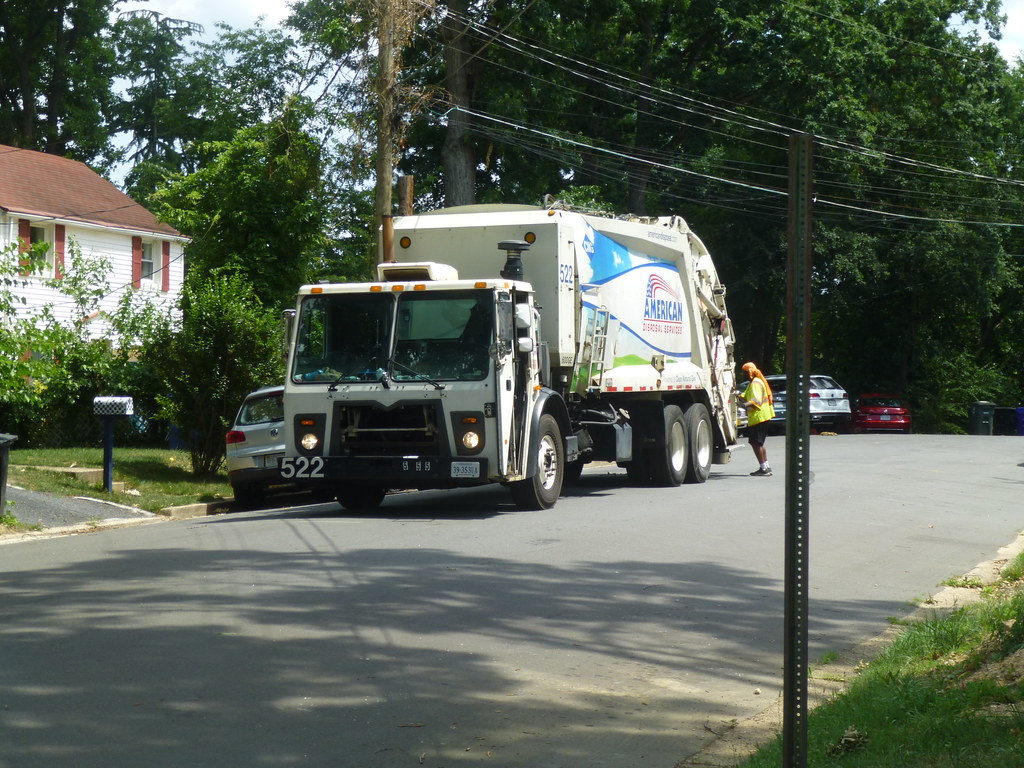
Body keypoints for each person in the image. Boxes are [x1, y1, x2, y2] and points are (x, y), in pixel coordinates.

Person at [740, 362, 775, 477]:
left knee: (756, 443)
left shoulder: (755, 383)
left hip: (758, 417)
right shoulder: (754, 382)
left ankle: (764, 468)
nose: (743, 374)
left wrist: (743, 406)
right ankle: (766, 466)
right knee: (759, 442)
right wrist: (737, 397)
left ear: (748, 372)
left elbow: (756, 402)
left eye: (744, 372)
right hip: (763, 416)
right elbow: (745, 396)